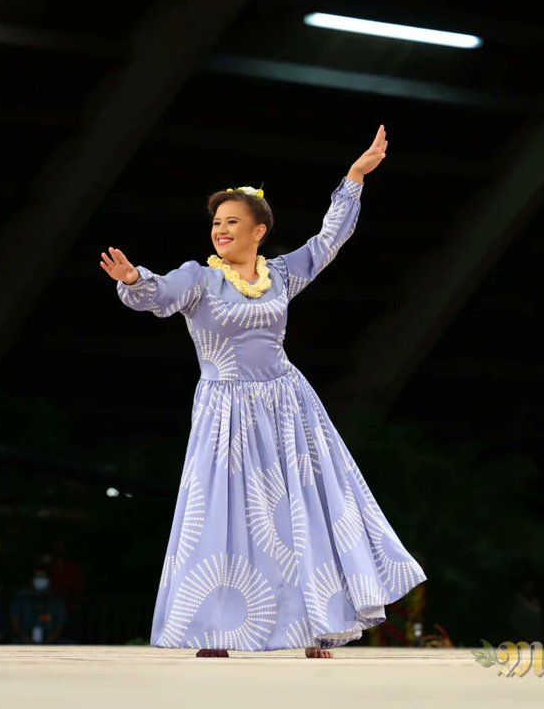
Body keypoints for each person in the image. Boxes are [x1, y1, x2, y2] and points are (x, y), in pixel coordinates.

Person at [102, 125, 425, 658]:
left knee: (301, 511)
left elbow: (327, 243)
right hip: (224, 409)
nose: (220, 229)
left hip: (287, 405)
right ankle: (215, 630)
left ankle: (314, 626)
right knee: (224, 516)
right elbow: (157, 294)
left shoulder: (280, 275)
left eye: (232, 221)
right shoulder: (199, 279)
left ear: (258, 230)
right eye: (216, 222)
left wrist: (354, 179)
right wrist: (136, 279)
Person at [10, 568, 68, 645]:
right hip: (24, 640)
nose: (40, 580)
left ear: (48, 580)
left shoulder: (55, 599)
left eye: (43, 577)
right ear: (32, 580)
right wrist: (25, 638)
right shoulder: (21, 597)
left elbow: (59, 626)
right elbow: (15, 621)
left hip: (51, 641)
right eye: (38, 577)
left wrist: (49, 640)